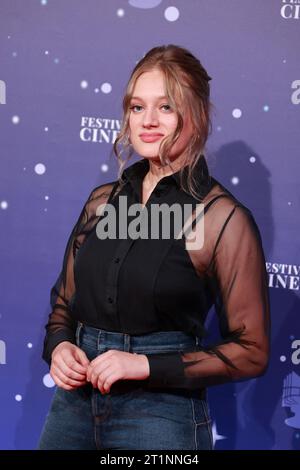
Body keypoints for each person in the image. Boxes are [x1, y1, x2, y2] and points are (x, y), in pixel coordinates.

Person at [38, 45, 270, 450]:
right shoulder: (102, 202)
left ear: (195, 116)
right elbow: (64, 305)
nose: (147, 121)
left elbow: (251, 351)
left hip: (161, 412)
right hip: (73, 407)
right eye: (136, 107)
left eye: (165, 107)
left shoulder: (220, 218)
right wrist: (60, 347)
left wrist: (144, 364)